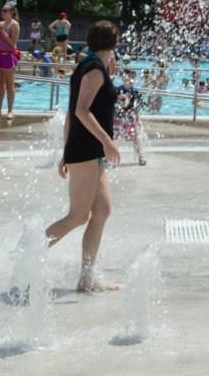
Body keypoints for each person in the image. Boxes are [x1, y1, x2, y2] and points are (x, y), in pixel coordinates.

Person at [42, 20, 122, 296]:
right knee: (78, 216)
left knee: (102, 212)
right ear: (115, 41)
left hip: (87, 150)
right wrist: (107, 140)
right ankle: (30, 253)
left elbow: (70, 112)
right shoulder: (94, 70)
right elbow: (81, 111)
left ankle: (86, 278)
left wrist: (65, 151)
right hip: (87, 149)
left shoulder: (89, 65)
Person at [0, 4, 21, 121]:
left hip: (9, 56)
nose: (2, 12)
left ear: (11, 12)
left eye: (5, 10)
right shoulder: (0, 24)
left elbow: (13, 43)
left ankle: (10, 110)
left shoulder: (14, 25)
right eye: (2, 10)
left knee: (9, 84)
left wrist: (3, 32)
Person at [114, 69, 146, 166]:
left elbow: (136, 108)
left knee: (135, 138)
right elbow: (112, 104)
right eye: (129, 77)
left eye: (133, 78)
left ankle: (141, 157)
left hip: (128, 117)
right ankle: (107, 156)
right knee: (112, 137)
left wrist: (138, 119)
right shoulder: (117, 90)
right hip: (116, 118)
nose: (131, 79)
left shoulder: (135, 92)